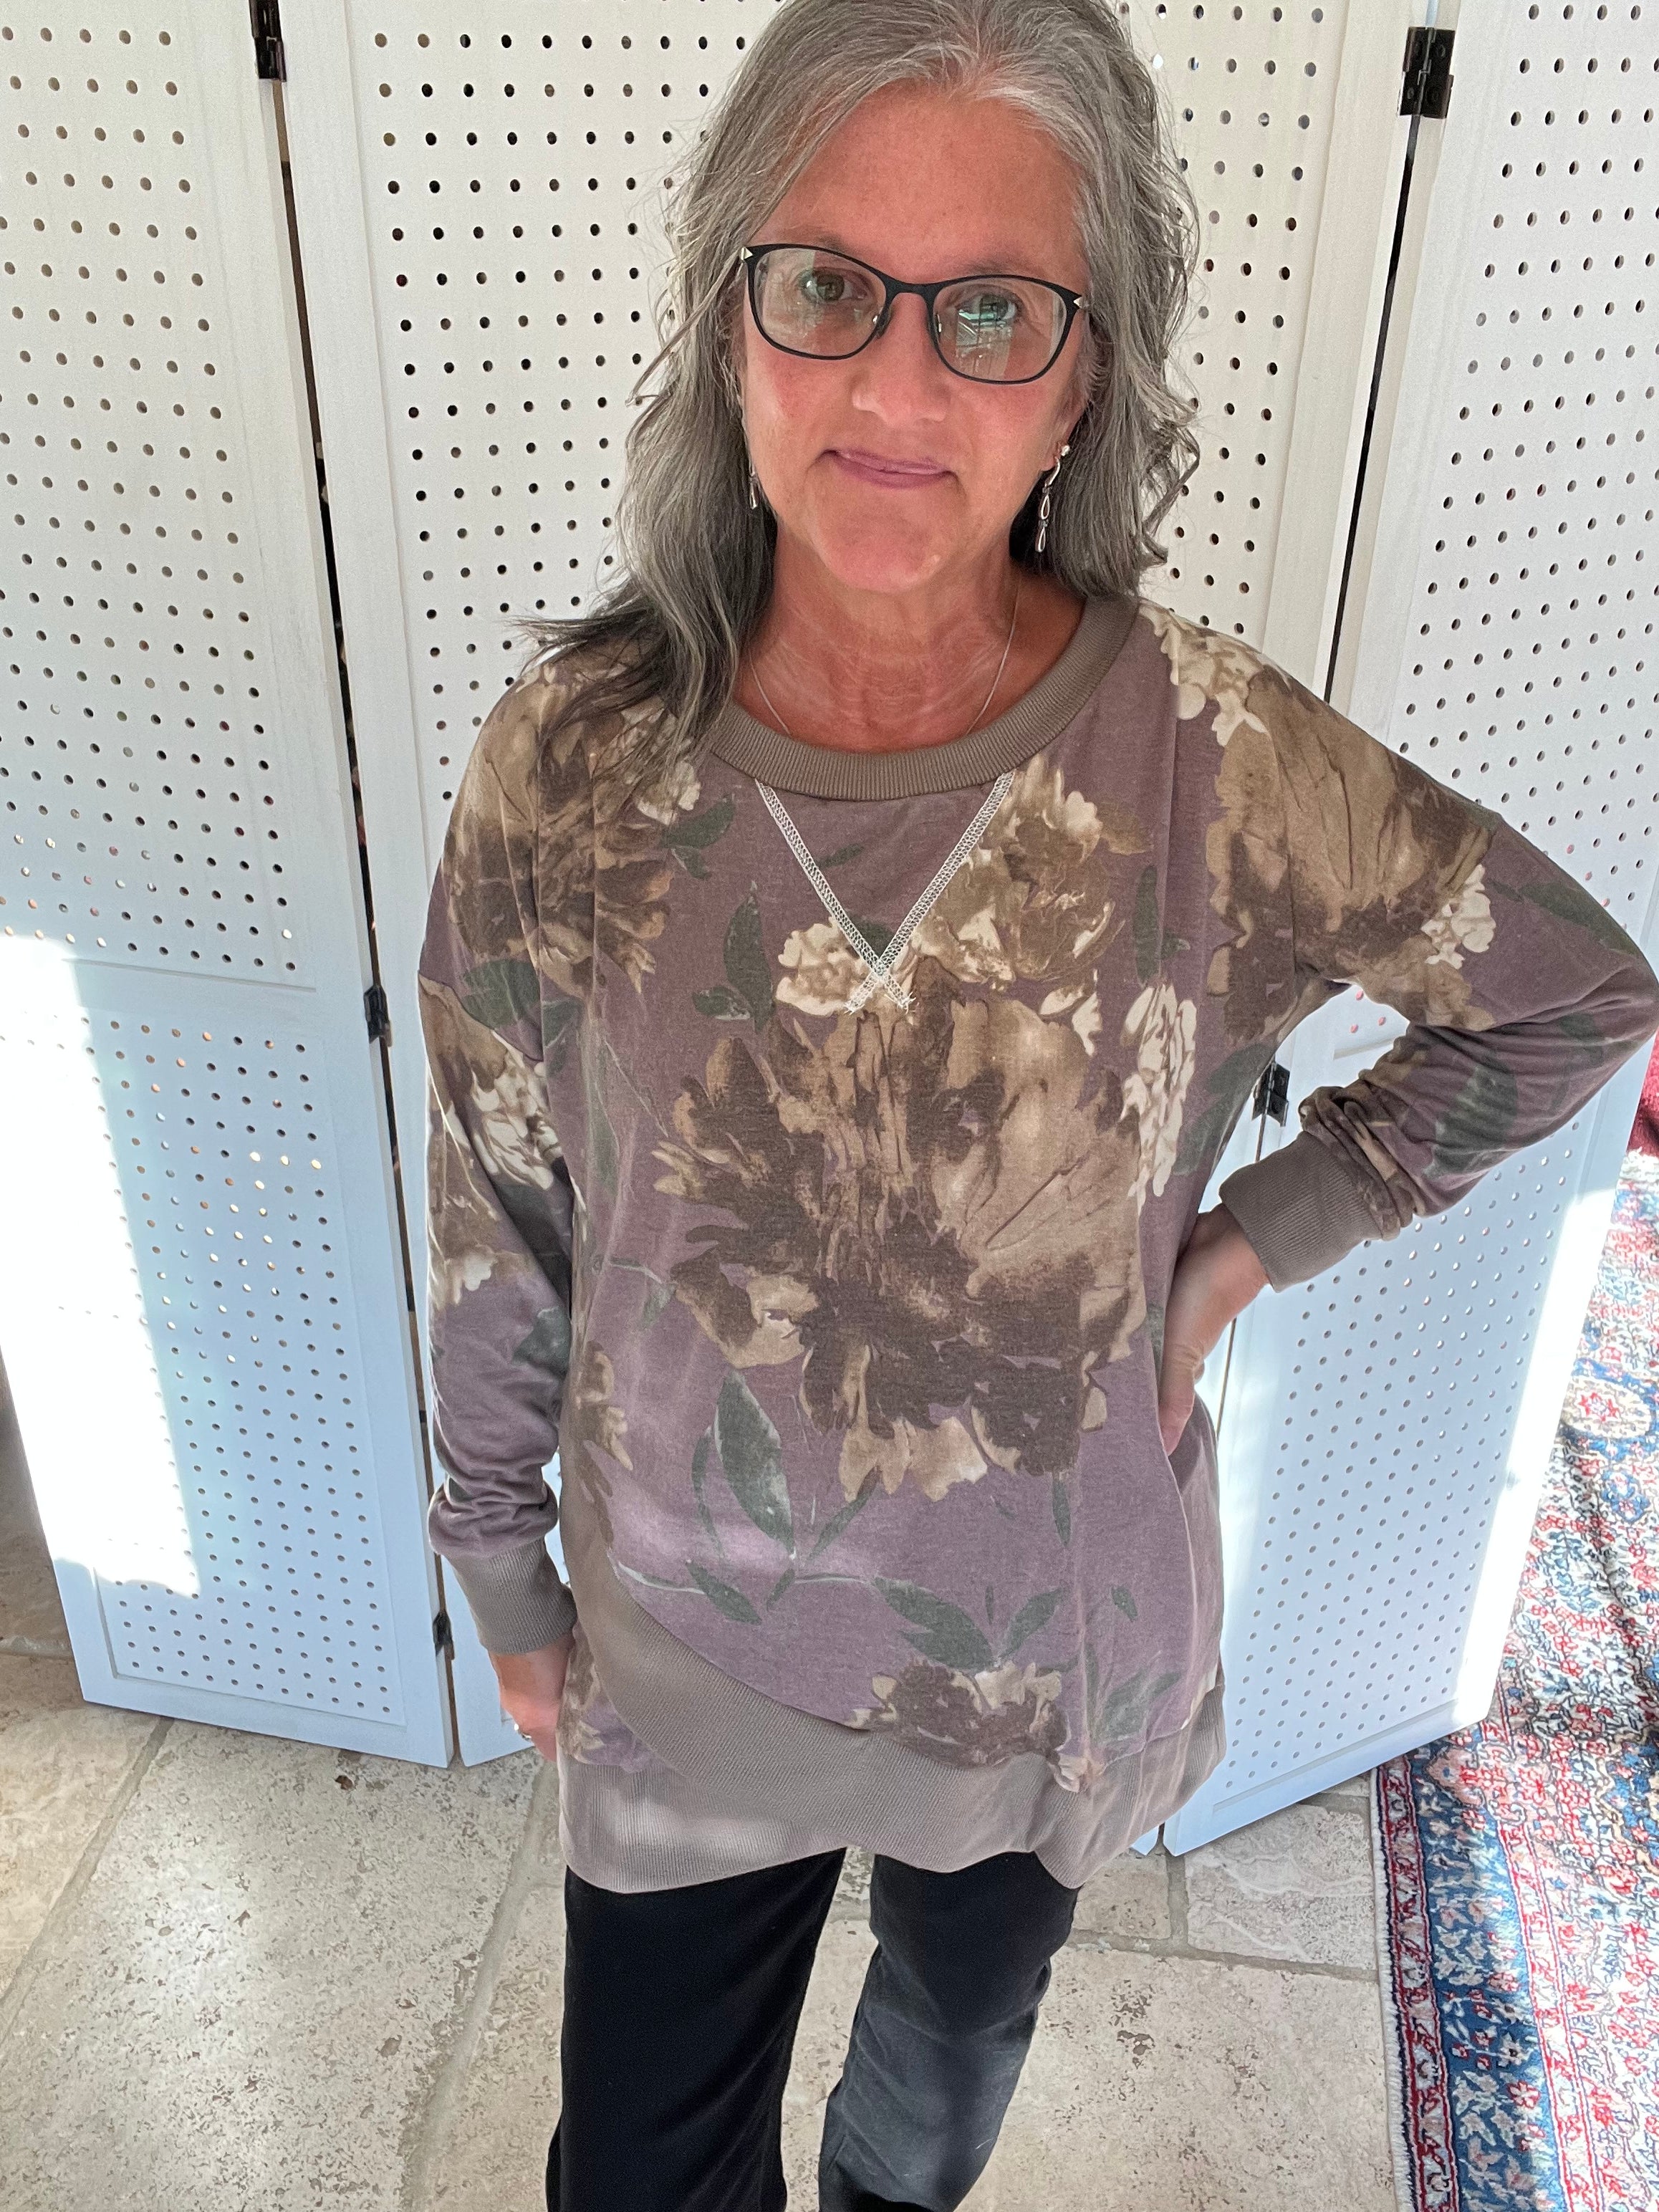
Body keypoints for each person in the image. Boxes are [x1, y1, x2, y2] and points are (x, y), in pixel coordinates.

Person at [416, 1, 1659, 2205]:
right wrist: (498, 1568)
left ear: (1084, 376)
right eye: (826, 286)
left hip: (1045, 1657)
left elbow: (1568, 997)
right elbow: (497, 1202)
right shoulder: (576, 760)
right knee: (637, 2166)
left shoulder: (1211, 757)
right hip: (681, 1645)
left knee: (939, 2072)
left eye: (992, 311)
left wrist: (1250, 1248)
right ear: (727, 319)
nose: (898, 392)